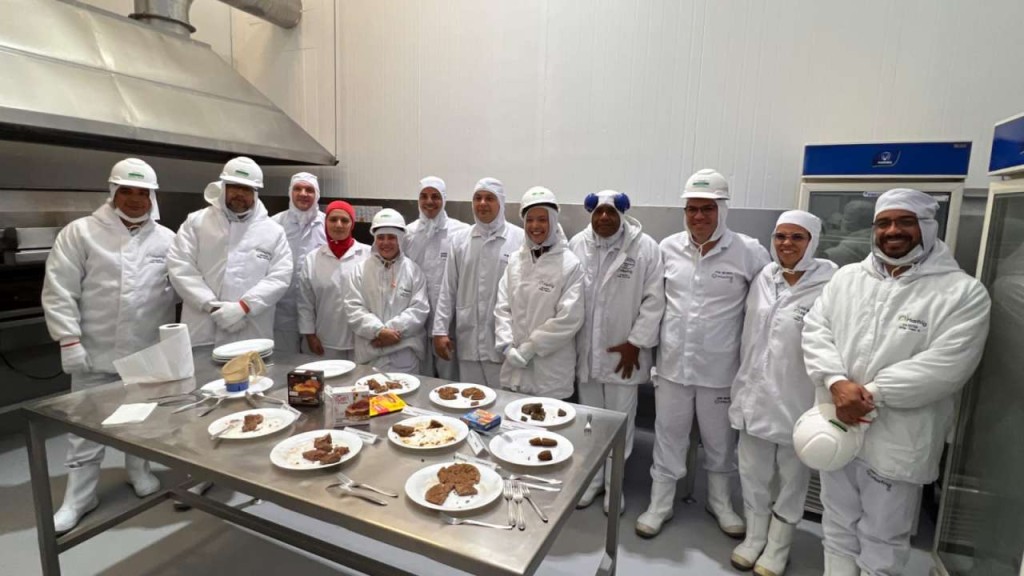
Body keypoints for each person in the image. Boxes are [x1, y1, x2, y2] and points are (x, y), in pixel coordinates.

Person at [803, 188, 991, 576]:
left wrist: (870, 394)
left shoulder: (962, 293)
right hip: (837, 425)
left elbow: (946, 365)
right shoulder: (847, 279)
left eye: (905, 222)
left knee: (883, 539)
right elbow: (816, 329)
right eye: (884, 223)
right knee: (837, 526)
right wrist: (836, 381)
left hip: (899, 438)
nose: (893, 231)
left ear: (928, 226)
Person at [41, 158, 174, 533]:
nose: (134, 199)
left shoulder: (167, 240)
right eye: (126, 191)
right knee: (85, 427)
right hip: (93, 352)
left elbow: (184, 286)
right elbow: (59, 290)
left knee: (141, 420)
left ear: (152, 197)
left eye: (142, 193)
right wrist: (68, 339)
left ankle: (138, 470)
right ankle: (79, 497)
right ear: (113, 192)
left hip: (145, 353)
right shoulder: (81, 233)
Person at [637, 168, 770, 539]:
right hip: (672, 368)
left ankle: (720, 502)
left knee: (720, 442)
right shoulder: (667, 248)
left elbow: (767, 307)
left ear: (722, 210)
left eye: (707, 209)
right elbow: (652, 302)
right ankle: (660, 504)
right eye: (692, 209)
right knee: (668, 437)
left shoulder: (748, 252)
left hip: (722, 371)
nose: (699, 216)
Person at [728, 210, 837, 574]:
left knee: (791, 481)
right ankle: (754, 538)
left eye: (797, 237)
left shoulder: (830, 283)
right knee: (752, 474)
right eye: (780, 236)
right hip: (754, 395)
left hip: (798, 399)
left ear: (812, 242)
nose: (786, 244)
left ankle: (778, 547)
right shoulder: (764, 276)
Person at [569, 189, 665, 514]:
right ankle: (592, 481)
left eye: (611, 212)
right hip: (587, 352)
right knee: (590, 423)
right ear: (591, 214)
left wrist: (636, 343)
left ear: (622, 214)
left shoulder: (645, 248)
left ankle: (614, 486)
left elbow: (654, 300)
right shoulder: (578, 244)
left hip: (626, 355)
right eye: (598, 212)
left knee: (621, 423)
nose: (604, 218)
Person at [167, 157, 293, 347]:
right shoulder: (196, 222)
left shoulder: (273, 231)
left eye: (247, 189)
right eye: (234, 187)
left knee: (250, 365)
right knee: (203, 366)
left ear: (255, 193)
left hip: (251, 329)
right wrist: (211, 306)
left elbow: (280, 276)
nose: (240, 194)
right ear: (224, 187)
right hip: (203, 328)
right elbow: (180, 267)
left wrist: (244, 307)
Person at [494, 186, 584, 399]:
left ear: (553, 221)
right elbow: (502, 307)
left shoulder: (570, 264)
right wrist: (507, 346)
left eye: (542, 220)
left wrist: (531, 347)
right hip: (515, 365)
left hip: (550, 370)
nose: (535, 226)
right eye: (530, 220)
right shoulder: (516, 260)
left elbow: (569, 319)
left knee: (549, 417)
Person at [433, 178, 525, 386]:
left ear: (501, 203)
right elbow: (448, 288)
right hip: (469, 339)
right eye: (478, 198)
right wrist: (440, 331)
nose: (482, 203)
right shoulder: (460, 240)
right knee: (470, 397)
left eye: (489, 198)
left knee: (504, 398)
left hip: (505, 341)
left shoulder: (519, 240)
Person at [344, 209, 430, 373]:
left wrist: (390, 333)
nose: (385, 242)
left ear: (400, 239)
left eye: (391, 237)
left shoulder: (413, 271)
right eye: (381, 237)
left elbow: (419, 309)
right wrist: (378, 331)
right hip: (370, 353)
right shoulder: (360, 271)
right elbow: (353, 308)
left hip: (404, 354)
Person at [401, 176, 469, 379]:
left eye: (435, 196)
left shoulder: (460, 232)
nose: (429, 201)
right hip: (416, 322)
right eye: (424, 196)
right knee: (421, 377)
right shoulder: (408, 233)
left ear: (444, 199)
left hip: (449, 323)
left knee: (450, 380)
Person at [297, 201, 370, 359]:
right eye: (333, 219)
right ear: (326, 223)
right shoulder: (313, 258)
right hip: (324, 341)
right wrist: (309, 335)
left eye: (344, 220)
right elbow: (305, 302)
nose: (338, 225)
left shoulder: (368, 255)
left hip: (361, 339)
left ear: (352, 224)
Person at [272, 172, 327, 353]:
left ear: (317, 195)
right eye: (298, 189)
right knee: (284, 361)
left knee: (315, 364)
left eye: (309, 190)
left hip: (318, 312)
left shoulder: (328, 225)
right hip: (281, 311)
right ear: (290, 192)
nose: (303, 194)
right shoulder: (274, 224)